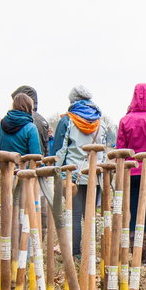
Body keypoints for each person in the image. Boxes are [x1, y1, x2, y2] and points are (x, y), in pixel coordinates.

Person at [53, 85, 105, 256]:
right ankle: (90, 254)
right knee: (89, 215)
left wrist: (58, 173)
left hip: (72, 174)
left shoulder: (67, 120)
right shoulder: (100, 121)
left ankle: (75, 253)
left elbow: (60, 150)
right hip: (93, 174)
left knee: (74, 215)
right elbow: (102, 150)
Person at [116, 83, 146, 234]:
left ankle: (133, 242)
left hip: (131, 171)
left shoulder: (125, 120)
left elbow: (120, 149)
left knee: (131, 207)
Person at [11, 85, 50, 156]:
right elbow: (46, 148)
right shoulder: (42, 120)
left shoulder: (25, 120)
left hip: (25, 163)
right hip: (40, 163)